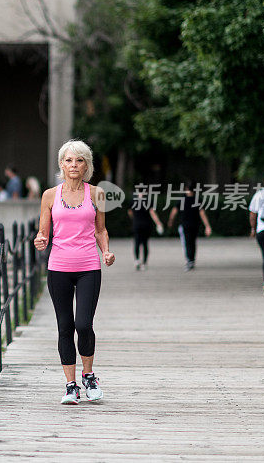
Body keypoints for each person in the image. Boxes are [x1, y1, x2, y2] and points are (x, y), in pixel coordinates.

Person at [34, 139, 115, 405]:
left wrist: (105, 251)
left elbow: (100, 229)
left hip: (89, 266)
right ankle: (70, 386)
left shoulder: (96, 194)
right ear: (61, 164)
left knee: (84, 324)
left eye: (79, 160)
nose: (74, 165)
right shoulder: (49, 195)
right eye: (69, 160)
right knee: (65, 327)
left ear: (86, 165)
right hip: (59, 268)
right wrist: (40, 239)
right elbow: (43, 231)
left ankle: (89, 376)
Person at [167, 182, 212, 271]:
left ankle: (189, 260)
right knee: (193, 242)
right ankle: (192, 260)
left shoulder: (181, 200)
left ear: (186, 189)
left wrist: (170, 221)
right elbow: (202, 213)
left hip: (185, 225)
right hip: (195, 224)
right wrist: (207, 226)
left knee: (187, 243)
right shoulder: (197, 200)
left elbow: (174, 211)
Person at [127, 186, 164, 270]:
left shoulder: (133, 201)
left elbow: (129, 212)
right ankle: (144, 263)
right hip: (146, 225)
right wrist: (158, 223)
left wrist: (134, 219)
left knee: (136, 242)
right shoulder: (148, 202)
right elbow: (152, 213)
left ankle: (137, 260)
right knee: (145, 244)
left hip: (136, 225)